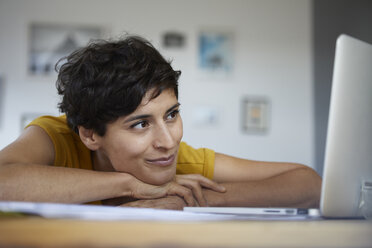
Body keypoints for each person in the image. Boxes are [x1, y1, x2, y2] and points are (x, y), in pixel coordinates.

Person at [0, 35, 321, 210]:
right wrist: (132, 187)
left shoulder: (173, 162)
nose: (168, 141)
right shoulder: (55, 137)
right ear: (89, 134)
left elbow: (308, 184)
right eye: (140, 124)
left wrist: (190, 197)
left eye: (171, 114)